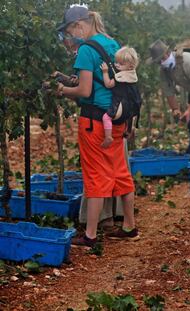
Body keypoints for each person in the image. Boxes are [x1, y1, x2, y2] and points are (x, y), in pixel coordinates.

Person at [55, 4, 138, 247]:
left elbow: (85, 90)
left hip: (94, 122)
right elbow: (105, 82)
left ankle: (90, 234)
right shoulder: (111, 43)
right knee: (120, 172)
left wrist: (61, 91)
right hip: (116, 118)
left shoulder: (84, 50)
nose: (69, 37)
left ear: (79, 25)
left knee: (95, 176)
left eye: (70, 31)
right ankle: (130, 226)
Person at [100, 46, 140, 148]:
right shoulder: (132, 76)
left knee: (106, 117)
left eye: (121, 64)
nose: (117, 65)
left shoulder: (120, 77)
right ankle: (128, 130)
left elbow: (108, 84)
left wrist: (105, 72)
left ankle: (108, 136)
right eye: (116, 62)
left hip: (119, 104)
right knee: (127, 118)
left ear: (130, 66)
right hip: (129, 107)